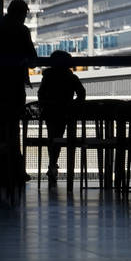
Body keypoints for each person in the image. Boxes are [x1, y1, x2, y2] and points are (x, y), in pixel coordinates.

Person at [0, 0, 38, 190]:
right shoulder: (21, 31)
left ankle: (1, 166)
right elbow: (32, 59)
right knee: (14, 126)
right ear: (21, 14)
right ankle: (15, 168)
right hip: (15, 83)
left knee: (1, 124)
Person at [37, 50, 87, 184]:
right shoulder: (71, 77)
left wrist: (46, 104)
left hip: (50, 112)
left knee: (52, 137)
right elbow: (81, 93)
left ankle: (52, 164)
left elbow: (40, 94)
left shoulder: (47, 77)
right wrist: (73, 105)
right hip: (66, 112)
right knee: (62, 138)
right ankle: (54, 165)